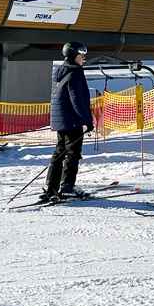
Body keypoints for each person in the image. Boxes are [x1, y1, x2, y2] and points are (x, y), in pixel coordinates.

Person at [43, 42, 94, 200]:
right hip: (72, 120)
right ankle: (67, 186)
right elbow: (77, 100)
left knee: (60, 152)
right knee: (73, 154)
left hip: (62, 120)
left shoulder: (62, 71)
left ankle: (51, 187)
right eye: (81, 55)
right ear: (73, 56)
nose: (83, 58)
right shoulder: (75, 73)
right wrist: (87, 120)